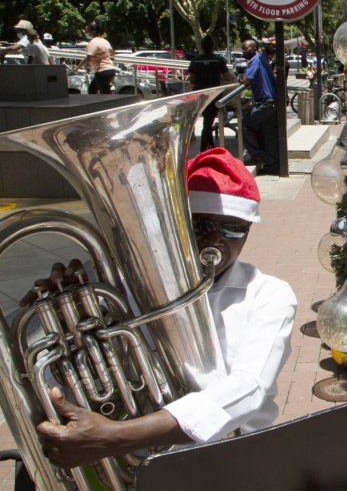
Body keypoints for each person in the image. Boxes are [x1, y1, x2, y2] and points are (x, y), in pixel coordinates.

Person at [33, 148, 297, 467]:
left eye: (233, 228)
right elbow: (81, 380)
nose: (216, 239)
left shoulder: (269, 295)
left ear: (249, 230)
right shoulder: (121, 287)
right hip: (139, 460)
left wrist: (116, 437)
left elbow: (249, 390)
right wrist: (67, 320)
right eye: (200, 225)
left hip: (233, 458)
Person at [188, 34, 236, 152]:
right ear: (213, 46)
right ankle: (204, 149)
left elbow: (192, 80)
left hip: (199, 94)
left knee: (206, 120)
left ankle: (208, 144)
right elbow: (228, 77)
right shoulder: (218, 60)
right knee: (208, 122)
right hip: (213, 94)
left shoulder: (195, 60)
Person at [240, 38, 279, 175]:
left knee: (245, 126)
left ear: (255, 48)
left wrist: (240, 80)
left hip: (265, 102)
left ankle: (259, 156)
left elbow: (247, 80)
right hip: (271, 101)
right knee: (269, 134)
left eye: (246, 49)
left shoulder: (255, 60)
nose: (244, 52)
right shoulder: (262, 58)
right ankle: (272, 163)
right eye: (242, 49)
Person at [74, 20, 116, 94]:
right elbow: (112, 53)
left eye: (87, 31)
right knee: (92, 89)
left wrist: (77, 68)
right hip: (111, 70)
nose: (85, 33)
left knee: (105, 94)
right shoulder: (105, 41)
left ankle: (107, 105)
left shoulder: (93, 42)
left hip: (102, 71)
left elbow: (88, 58)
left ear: (93, 32)